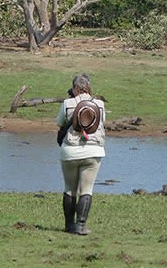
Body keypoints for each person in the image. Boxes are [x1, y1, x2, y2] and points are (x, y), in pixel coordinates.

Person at [56, 73, 105, 235]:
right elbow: (101, 123)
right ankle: (81, 226)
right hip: (94, 150)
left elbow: (59, 123)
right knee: (87, 189)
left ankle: (69, 225)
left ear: (76, 88)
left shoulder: (67, 103)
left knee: (70, 188)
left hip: (70, 150)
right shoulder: (100, 104)